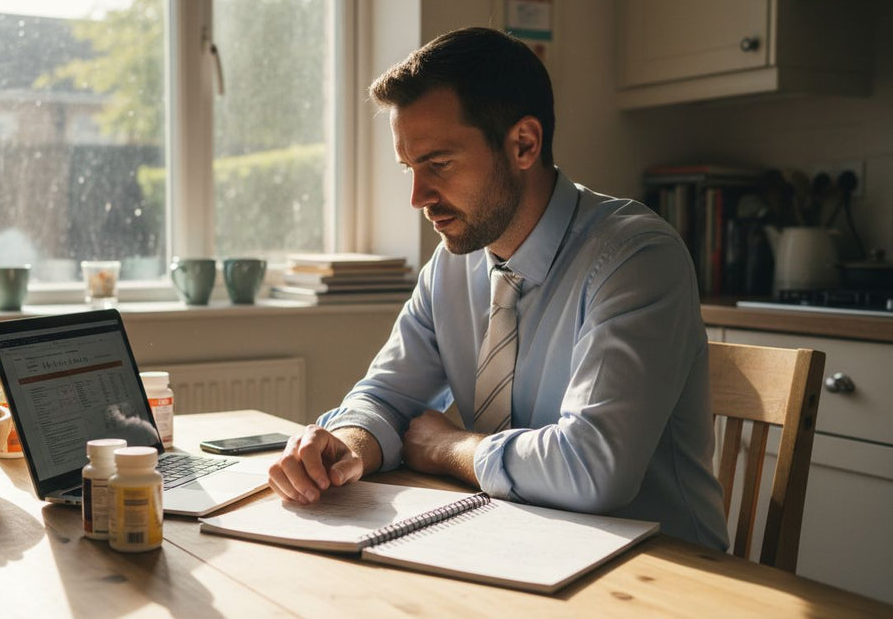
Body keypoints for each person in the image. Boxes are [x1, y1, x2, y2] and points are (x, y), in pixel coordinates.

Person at [268, 27, 729, 550]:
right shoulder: (452, 264)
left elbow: (594, 469)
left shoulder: (636, 257)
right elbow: (386, 396)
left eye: (438, 164)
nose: (418, 197)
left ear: (523, 145)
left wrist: (449, 448)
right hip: (517, 548)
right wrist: (347, 444)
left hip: (660, 571)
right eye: (409, 168)